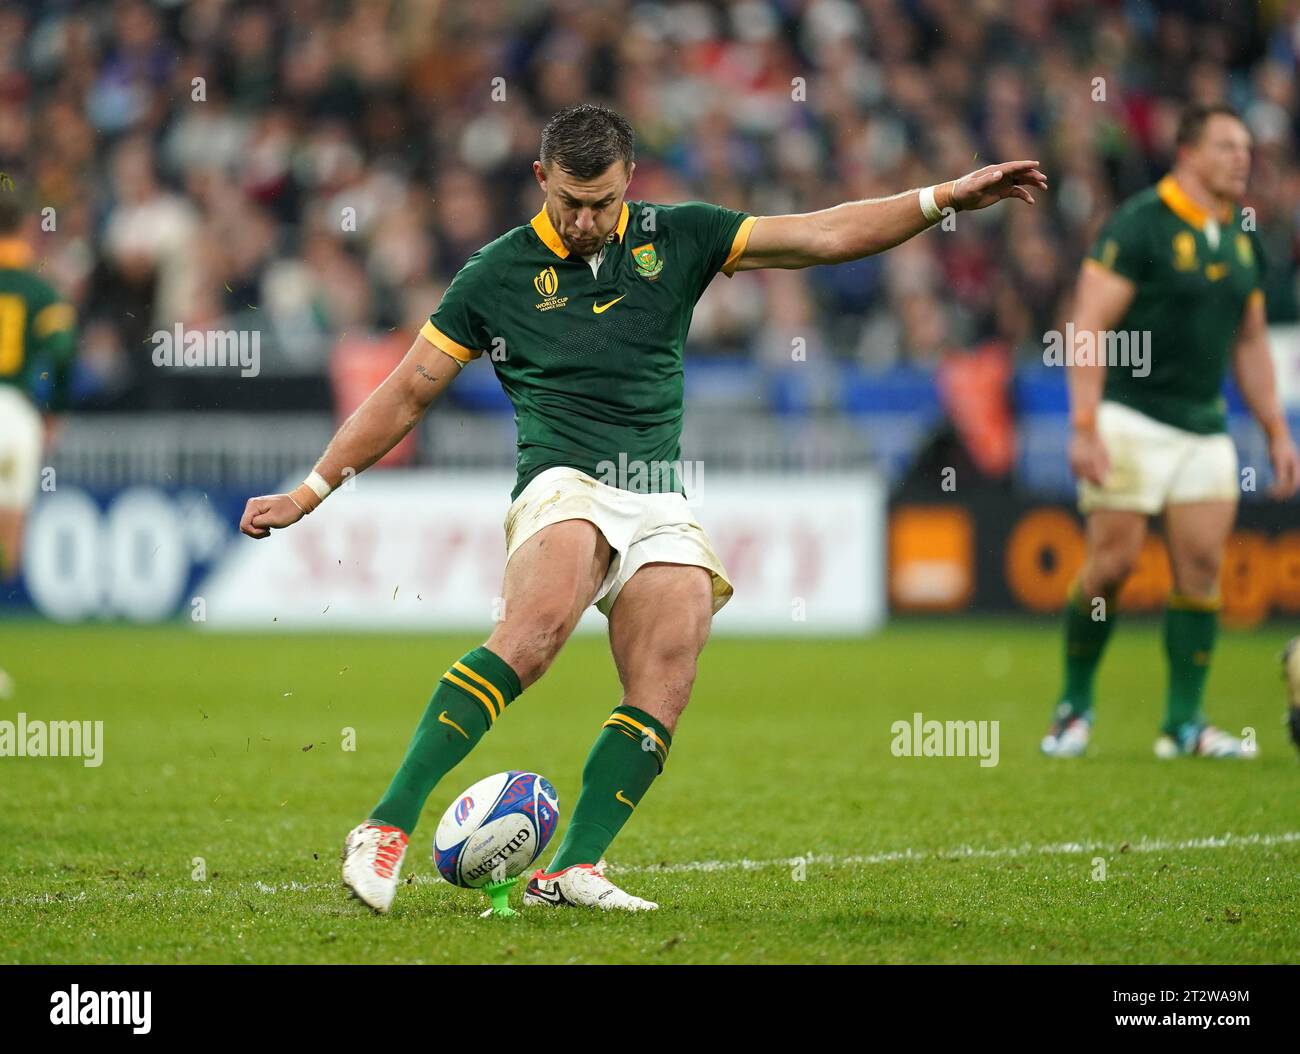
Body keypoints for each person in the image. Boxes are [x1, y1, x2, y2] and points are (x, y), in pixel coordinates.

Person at [240, 103, 1046, 912]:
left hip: (655, 492)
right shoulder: (495, 273)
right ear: (540, 180)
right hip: (561, 481)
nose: (586, 220)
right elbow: (408, 391)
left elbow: (823, 234)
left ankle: (574, 867)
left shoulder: (683, 235)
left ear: (631, 181)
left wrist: (943, 198)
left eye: (603, 201)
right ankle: (384, 827)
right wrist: (310, 490)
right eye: (568, 201)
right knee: (536, 631)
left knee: (670, 662)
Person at [1042, 103, 1300, 760]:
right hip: (1129, 416)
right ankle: (1073, 708)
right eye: (1225, 146)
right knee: (1113, 566)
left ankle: (1183, 724)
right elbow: (1088, 325)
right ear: (1187, 153)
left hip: (1203, 425)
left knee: (1203, 569)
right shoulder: (1141, 224)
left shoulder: (1244, 237)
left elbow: (1249, 342)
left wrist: (1275, 429)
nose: (1241, 158)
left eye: (1245, 147)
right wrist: (1083, 424)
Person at [0, 196, 78, 698]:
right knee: (8, 535)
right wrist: (54, 409)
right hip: (14, 414)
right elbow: (64, 349)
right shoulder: (40, 290)